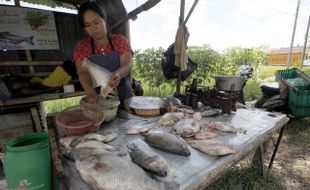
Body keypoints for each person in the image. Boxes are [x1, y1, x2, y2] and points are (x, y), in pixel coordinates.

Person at [73, 1, 133, 104]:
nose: (93, 28)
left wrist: (119, 73)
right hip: (98, 95)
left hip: (123, 93)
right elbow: (82, 72)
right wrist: (90, 93)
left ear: (104, 20)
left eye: (96, 22)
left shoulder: (120, 41)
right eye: (87, 25)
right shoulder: (82, 47)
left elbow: (127, 64)